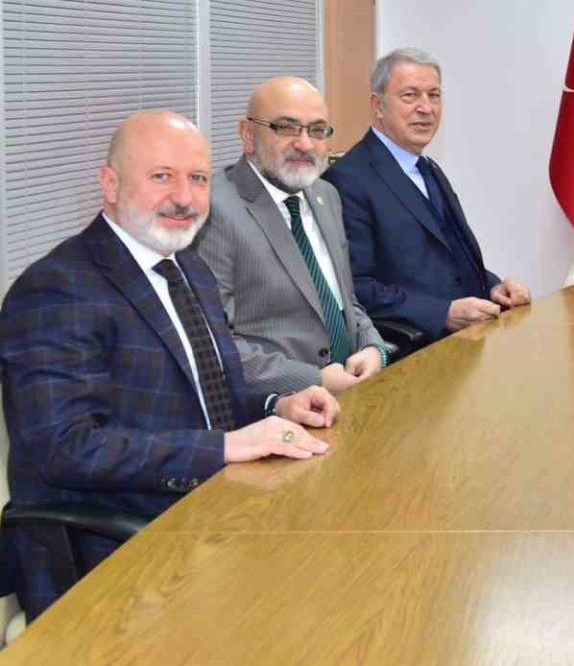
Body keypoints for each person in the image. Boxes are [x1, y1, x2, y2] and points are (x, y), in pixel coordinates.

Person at [0, 110, 339, 617]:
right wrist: (223, 447)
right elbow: (66, 448)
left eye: (198, 179)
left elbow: (208, 391)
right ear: (110, 184)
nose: (184, 197)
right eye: (162, 176)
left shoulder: (187, 267)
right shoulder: (57, 288)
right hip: (112, 547)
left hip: (213, 508)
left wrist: (278, 404)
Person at [196, 77, 387, 396]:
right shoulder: (213, 210)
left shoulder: (326, 195)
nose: (305, 144)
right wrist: (315, 380)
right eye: (286, 128)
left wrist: (373, 347)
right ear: (247, 134)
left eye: (317, 130)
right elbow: (216, 344)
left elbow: (344, 300)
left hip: (354, 392)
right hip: (278, 408)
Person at [324, 48, 530, 345]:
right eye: (410, 96)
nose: (426, 108)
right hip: (412, 350)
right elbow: (355, 288)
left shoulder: (427, 168)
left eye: (434, 95)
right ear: (378, 105)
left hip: (469, 340)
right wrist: (442, 313)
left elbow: (448, 259)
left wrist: (494, 287)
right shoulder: (346, 180)